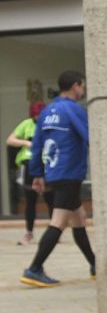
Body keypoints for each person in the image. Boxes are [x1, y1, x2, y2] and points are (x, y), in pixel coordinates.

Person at [20, 71, 96, 287]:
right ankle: (34, 268)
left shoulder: (48, 110)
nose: (83, 90)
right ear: (75, 86)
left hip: (54, 171)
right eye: (82, 86)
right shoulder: (73, 109)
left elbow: (36, 146)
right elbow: (90, 136)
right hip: (70, 172)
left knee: (78, 218)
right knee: (59, 221)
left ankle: (94, 265)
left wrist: (37, 174)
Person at [6, 102, 53, 246]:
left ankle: (54, 232)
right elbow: (10, 140)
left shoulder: (49, 124)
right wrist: (25, 143)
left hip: (47, 164)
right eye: (36, 115)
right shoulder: (26, 124)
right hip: (30, 164)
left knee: (50, 199)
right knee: (30, 200)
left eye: (40, 114)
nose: (38, 117)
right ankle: (29, 233)